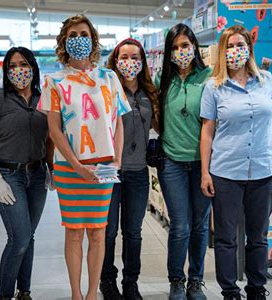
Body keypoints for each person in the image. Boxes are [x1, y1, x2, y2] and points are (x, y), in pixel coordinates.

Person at [38, 14, 131, 300]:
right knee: (74, 232)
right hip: (69, 169)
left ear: (93, 39)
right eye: (73, 34)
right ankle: (76, 294)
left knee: (98, 232)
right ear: (64, 41)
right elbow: (54, 129)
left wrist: (116, 161)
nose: (79, 39)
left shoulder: (109, 77)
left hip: (103, 167)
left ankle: (92, 293)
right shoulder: (54, 81)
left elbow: (117, 122)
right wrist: (77, 166)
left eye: (84, 33)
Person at [200, 25, 272, 300]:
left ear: (249, 48)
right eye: (229, 46)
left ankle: (256, 288)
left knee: (258, 235)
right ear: (222, 52)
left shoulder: (266, 80)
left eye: (240, 44)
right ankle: (229, 291)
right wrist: (205, 172)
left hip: (265, 169)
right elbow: (207, 131)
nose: (235, 50)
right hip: (226, 171)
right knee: (226, 238)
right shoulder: (213, 87)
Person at [0, 47, 53, 300]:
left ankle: (25, 291)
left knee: (28, 237)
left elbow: (51, 138)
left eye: (23, 64)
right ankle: (5, 295)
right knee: (19, 238)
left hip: (38, 175)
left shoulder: (45, 99)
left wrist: (51, 168)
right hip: (9, 175)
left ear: (33, 67)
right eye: (12, 66)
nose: (18, 70)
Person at [154, 23, 212, 300]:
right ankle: (176, 280)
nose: (180, 51)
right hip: (172, 161)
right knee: (180, 225)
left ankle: (195, 281)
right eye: (174, 47)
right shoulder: (161, 80)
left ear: (194, 47)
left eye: (185, 46)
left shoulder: (210, 77)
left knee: (201, 224)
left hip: (203, 163)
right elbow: (154, 118)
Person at [99, 38, 158, 300]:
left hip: (137, 171)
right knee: (108, 231)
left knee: (133, 232)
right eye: (124, 57)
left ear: (142, 62)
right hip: (109, 170)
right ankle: (107, 281)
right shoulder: (106, 89)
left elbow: (159, 125)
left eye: (135, 57)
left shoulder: (148, 92)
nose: (130, 62)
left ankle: (130, 282)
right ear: (115, 60)